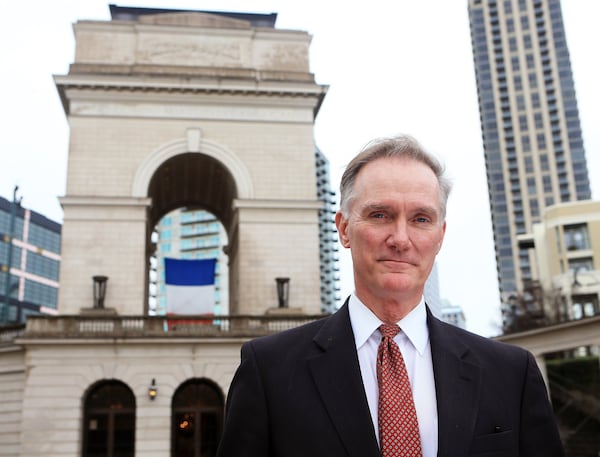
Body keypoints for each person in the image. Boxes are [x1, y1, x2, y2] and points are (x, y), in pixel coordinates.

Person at [215, 134, 565, 457]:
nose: (400, 238)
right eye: (380, 215)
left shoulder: (511, 375)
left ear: (440, 235)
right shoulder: (269, 371)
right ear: (343, 228)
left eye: (421, 219)